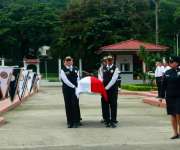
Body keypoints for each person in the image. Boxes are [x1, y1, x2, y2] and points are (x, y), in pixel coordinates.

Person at [160, 56, 180, 139]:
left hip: (179, 96)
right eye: (170, 62)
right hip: (170, 96)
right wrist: (161, 96)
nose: (171, 63)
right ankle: (175, 133)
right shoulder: (167, 72)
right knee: (172, 115)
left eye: (173, 62)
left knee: (178, 113)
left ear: (177, 63)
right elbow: (163, 85)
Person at [60, 56, 81, 128]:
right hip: (67, 90)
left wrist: (77, 88)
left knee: (75, 105)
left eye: (70, 60)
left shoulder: (76, 69)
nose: (68, 62)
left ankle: (76, 121)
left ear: (72, 61)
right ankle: (69, 122)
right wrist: (73, 86)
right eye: (67, 60)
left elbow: (78, 79)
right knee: (68, 105)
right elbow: (65, 81)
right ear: (65, 62)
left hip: (75, 90)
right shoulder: (63, 70)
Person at [102, 55, 119, 128]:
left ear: (113, 60)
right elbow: (101, 78)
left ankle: (113, 121)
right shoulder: (103, 68)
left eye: (110, 60)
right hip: (104, 89)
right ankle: (107, 120)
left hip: (112, 90)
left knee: (113, 105)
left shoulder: (116, 68)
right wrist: (102, 88)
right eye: (108, 60)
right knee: (105, 105)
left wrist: (106, 88)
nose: (109, 61)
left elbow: (113, 80)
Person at [98, 56, 107, 123]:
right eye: (104, 61)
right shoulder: (100, 69)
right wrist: (103, 83)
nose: (105, 62)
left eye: (106, 61)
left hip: (111, 87)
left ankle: (111, 118)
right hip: (103, 87)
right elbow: (100, 78)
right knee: (104, 103)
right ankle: (104, 117)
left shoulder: (112, 68)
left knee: (112, 103)